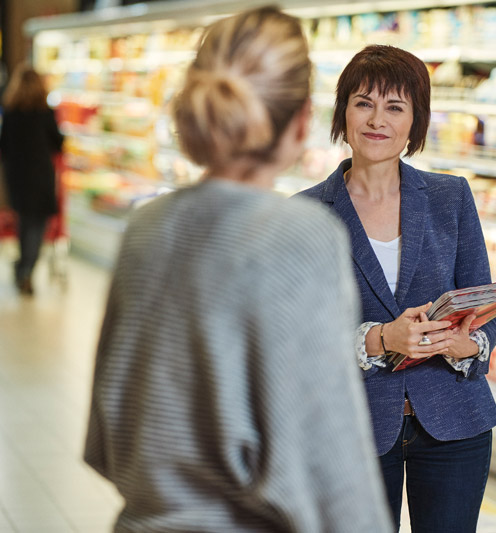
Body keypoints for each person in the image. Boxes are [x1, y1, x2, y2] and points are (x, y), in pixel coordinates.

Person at [83, 8, 391, 533]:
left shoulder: (147, 227)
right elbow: (331, 466)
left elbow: (105, 443)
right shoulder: (302, 236)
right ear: (301, 121)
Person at [298, 44, 496, 532]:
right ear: (342, 110)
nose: (377, 120)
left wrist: (468, 342)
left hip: (454, 418)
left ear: (416, 121)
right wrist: (381, 339)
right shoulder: (304, 214)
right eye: (364, 102)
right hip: (352, 426)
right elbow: (297, 336)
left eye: (395, 107)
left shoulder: (450, 197)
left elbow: (485, 310)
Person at [0, 65, 63, 295]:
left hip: (16, 175)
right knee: (38, 225)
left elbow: (1, 146)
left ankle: (22, 267)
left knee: (24, 223)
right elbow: (58, 143)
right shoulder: (45, 112)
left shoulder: (10, 111)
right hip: (41, 175)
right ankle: (26, 269)